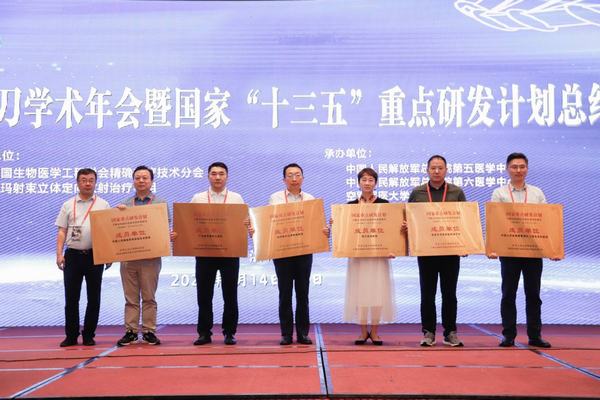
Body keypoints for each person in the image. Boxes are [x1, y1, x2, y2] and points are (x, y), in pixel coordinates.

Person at [489, 152, 555, 348]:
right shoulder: (499, 193)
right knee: (508, 294)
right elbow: (495, 222)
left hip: (533, 251)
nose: (518, 170)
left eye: (522, 166)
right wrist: (492, 247)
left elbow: (546, 221)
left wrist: (552, 249)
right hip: (509, 251)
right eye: (514, 166)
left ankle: (535, 335)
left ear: (527, 168)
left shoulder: (537, 193)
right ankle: (508, 335)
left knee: (533, 295)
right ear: (507, 169)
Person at [406, 155, 466, 347]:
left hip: (451, 251)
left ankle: (450, 332)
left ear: (446, 170)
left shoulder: (456, 192)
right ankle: (428, 332)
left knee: (450, 294)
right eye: (433, 168)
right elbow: (409, 218)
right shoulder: (418, 193)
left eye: (440, 168)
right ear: (427, 170)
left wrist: (466, 245)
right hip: (427, 251)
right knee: (427, 294)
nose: (437, 171)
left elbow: (466, 221)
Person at [189, 162, 251, 346]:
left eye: (221, 174)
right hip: (205, 252)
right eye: (214, 173)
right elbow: (188, 222)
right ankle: (204, 333)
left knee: (230, 294)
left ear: (227, 176)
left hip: (229, 253)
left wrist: (248, 225)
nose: (217, 177)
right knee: (204, 295)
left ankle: (229, 332)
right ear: (208, 176)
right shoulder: (198, 198)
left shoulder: (236, 198)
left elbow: (244, 223)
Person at [268, 163, 328, 345]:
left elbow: (315, 224)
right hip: (283, 252)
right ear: (284, 179)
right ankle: (286, 334)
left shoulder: (310, 199)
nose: (294, 179)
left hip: (304, 251)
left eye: (297, 175)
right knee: (284, 293)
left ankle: (302, 333)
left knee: (303, 293)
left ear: (302, 178)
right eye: (290, 175)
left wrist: (324, 231)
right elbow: (270, 223)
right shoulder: (275, 198)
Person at [116, 165, 174, 346]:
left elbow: (165, 228)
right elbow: (116, 230)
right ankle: (131, 331)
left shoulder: (160, 204)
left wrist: (169, 235)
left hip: (151, 259)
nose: (141, 181)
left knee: (149, 297)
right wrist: (115, 215)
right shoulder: (124, 204)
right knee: (130, 298)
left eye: (145, 178)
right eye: (138, 178)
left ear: (151, 181)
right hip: (129, 259)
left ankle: (149, 331)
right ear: (133, 181)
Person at [55, 168, 111, 347]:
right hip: (72, 256)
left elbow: (108, 231)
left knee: (94, 298)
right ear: (77, 183)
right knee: (71, 298)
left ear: (95, 182)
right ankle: (71, 336)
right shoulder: (68, 204)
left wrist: (109, 254)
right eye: (84, 180)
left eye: (91, 180)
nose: (88, 183)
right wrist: (59, 254)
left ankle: (88, 335)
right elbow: (62, 230)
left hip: (95, 255)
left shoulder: (103, 204)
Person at [342, 168, 396, 345]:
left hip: (379, 256)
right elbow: (345, 231)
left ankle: (375, 331)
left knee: (378, 292)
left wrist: (395, 243)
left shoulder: (384, 204)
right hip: (358, 257)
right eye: (364, 180)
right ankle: (363, 331)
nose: (367, 183)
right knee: (360, 293)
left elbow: (391, 230)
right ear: (358, 183)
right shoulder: (350, 206)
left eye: (371, 180)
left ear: (376, 183)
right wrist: (336, 223)